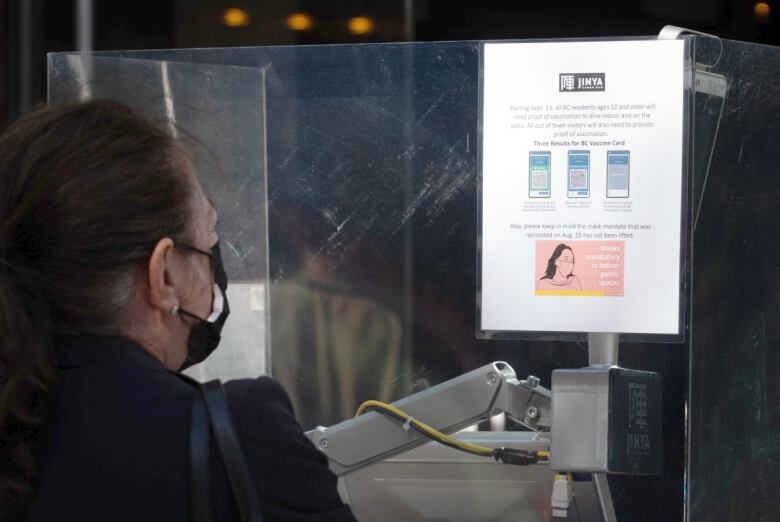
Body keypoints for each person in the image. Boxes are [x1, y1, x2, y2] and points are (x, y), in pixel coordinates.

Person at [0, 100, 357, 521]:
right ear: (164, 275)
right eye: (209, 244)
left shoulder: (19, 430)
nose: (215, 269)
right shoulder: (239, 432)